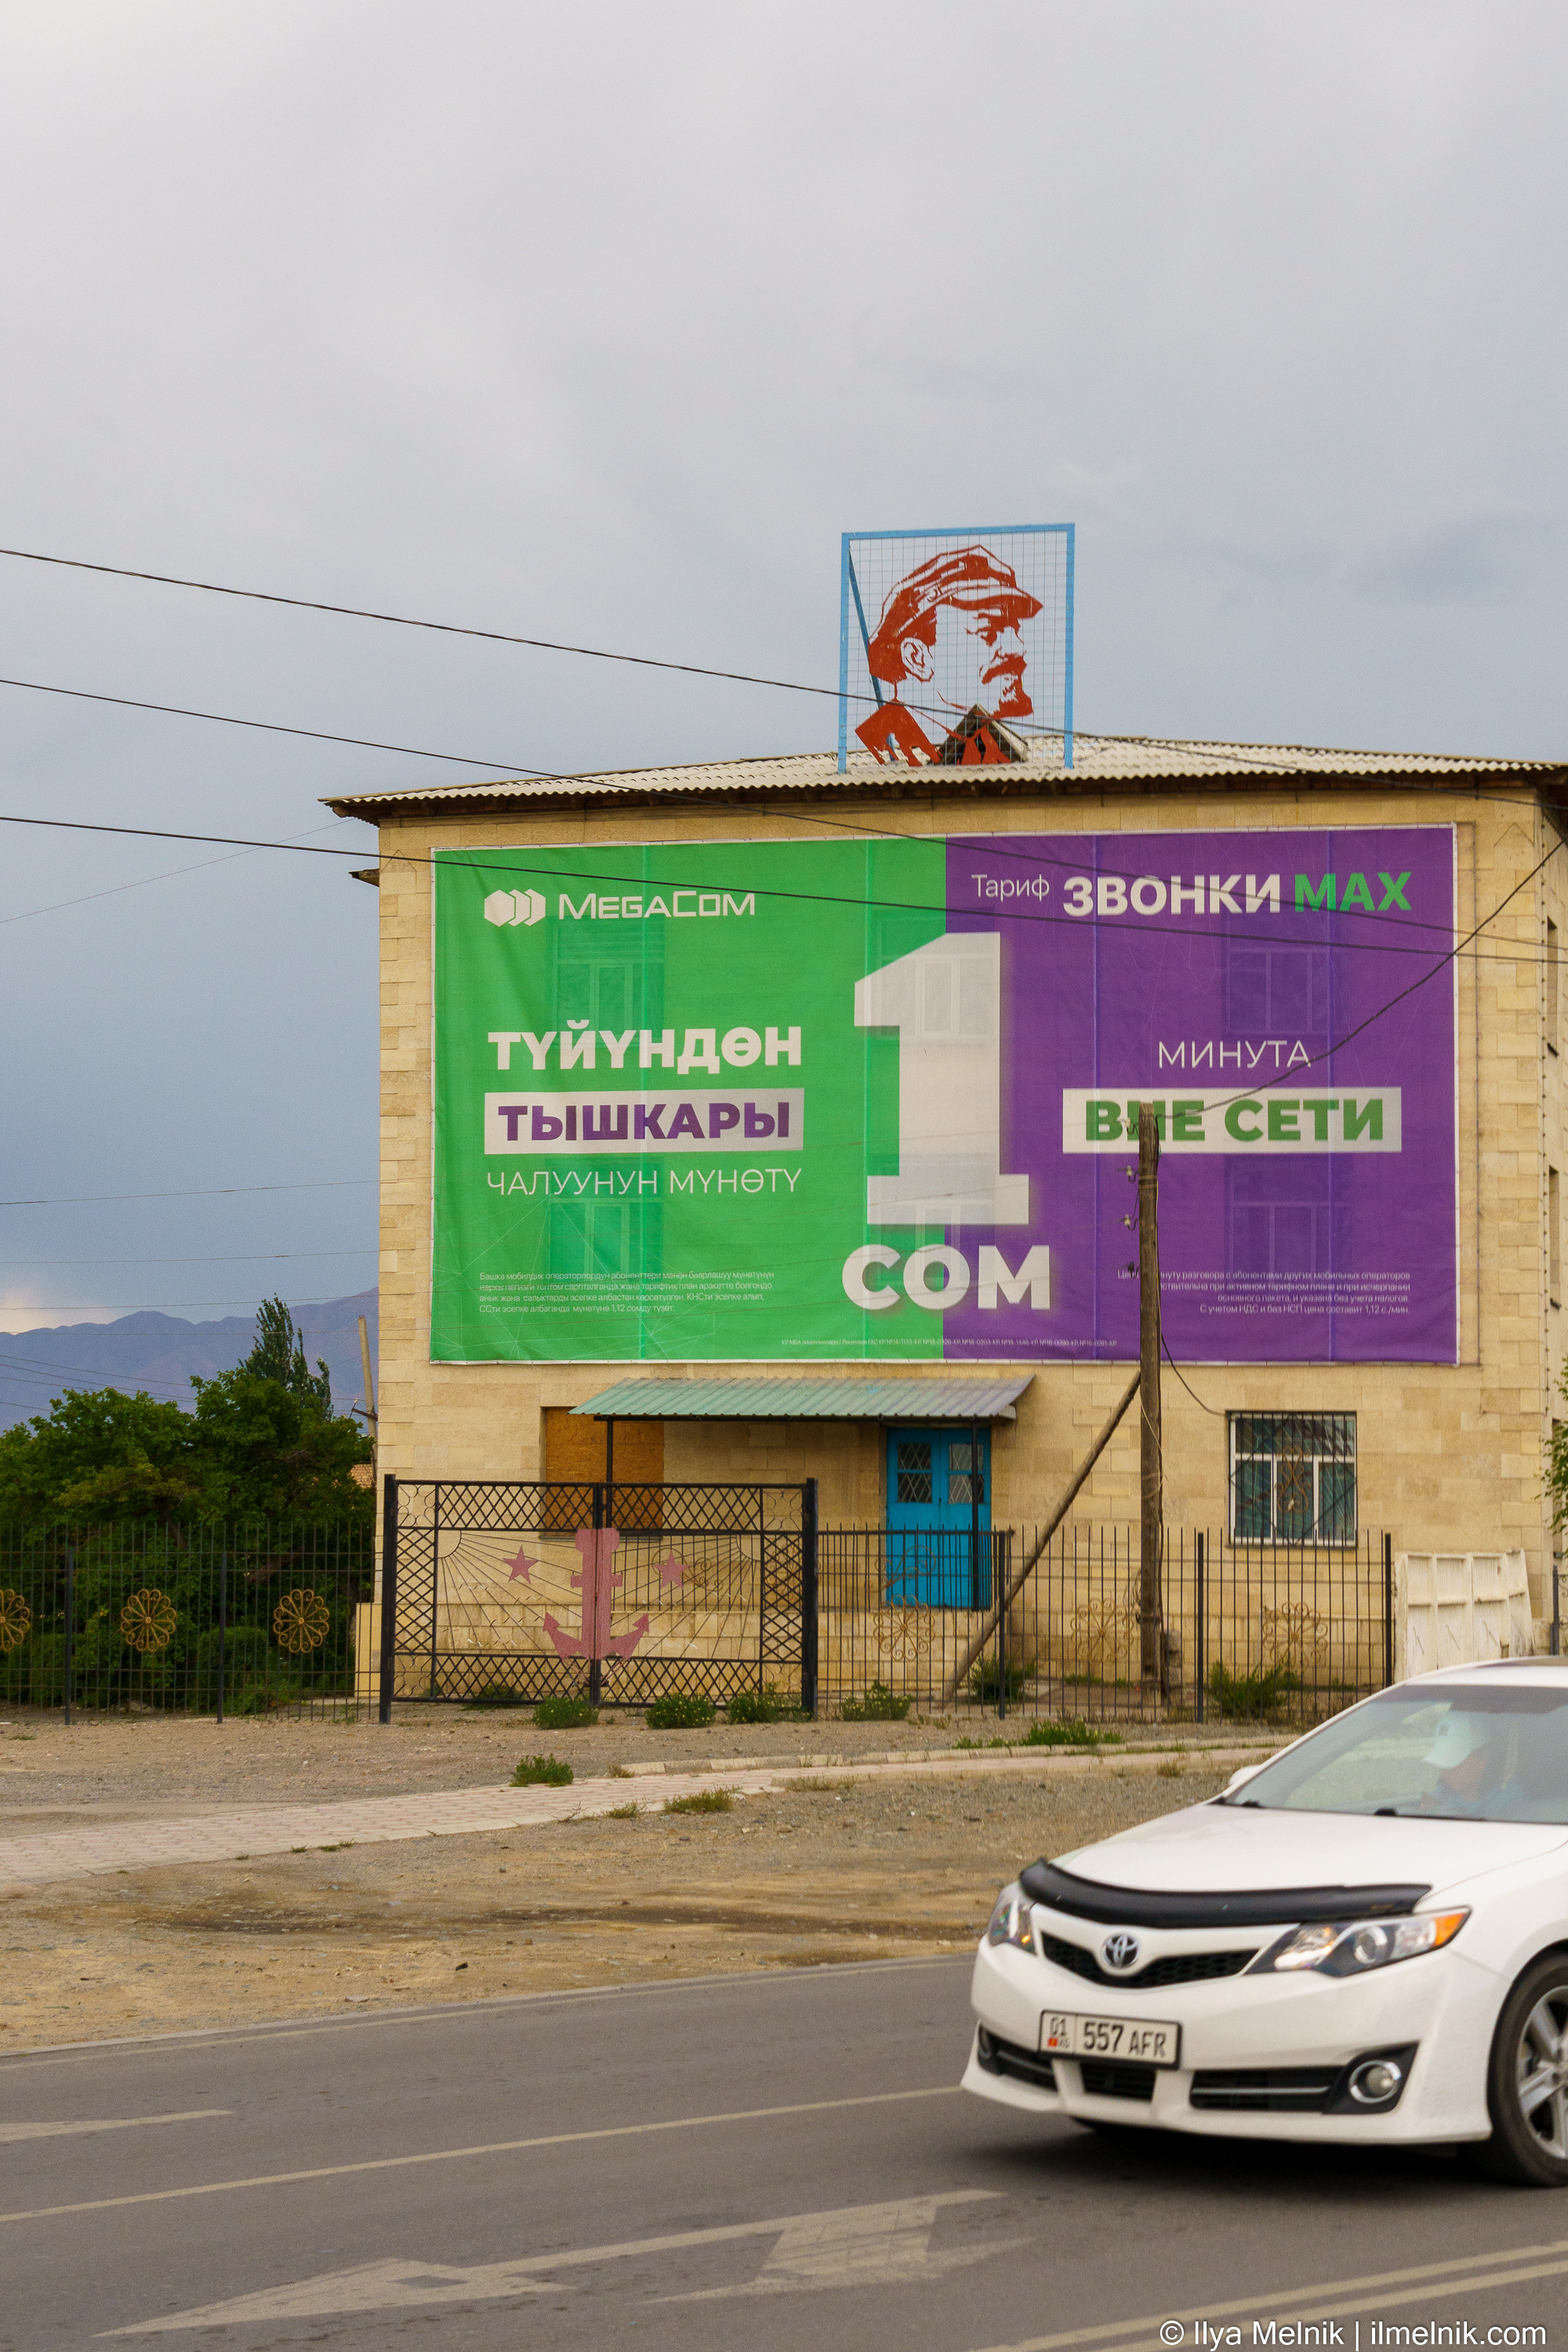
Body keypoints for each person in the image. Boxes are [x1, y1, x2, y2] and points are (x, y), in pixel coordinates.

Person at [855, 545, 1043, 766]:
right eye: (989, 632)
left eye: (1015, 630)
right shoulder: (887, 752)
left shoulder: (990, 746)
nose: (1019, 648)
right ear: (917, 657)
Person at [1417, 1711, 1525, 1817]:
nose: (1445, 1770)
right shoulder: (1443, 1791)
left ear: (1482, 1758)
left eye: (1452, 1763)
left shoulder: (1508, 1801)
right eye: (1441, 1762)